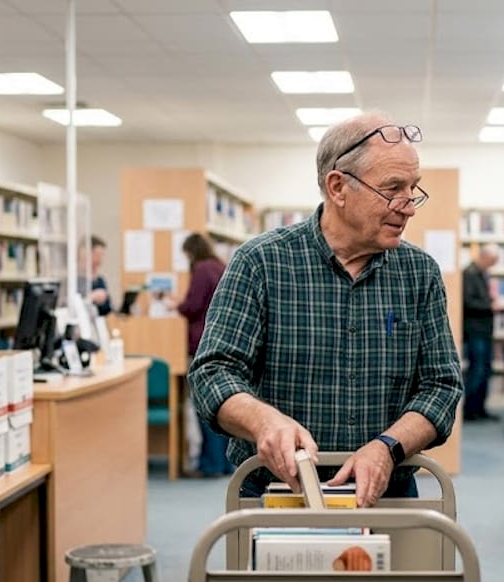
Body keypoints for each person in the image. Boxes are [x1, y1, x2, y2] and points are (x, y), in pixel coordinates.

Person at [188, 111, 463, 507]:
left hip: (387, 496)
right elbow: (213, 372)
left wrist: (387, 447)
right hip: (278, 495)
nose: (409, 206)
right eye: (393, 188)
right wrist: (265, 421)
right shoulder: (262, 262)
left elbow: (441, 386)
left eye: (413, 188)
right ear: (338, 187)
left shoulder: (419, 274)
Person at [170, 232, 232, 477]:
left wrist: (177, 305)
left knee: (203, 405)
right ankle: (225, 462)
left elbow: (193, 305)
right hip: (220, 340)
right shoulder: (220, 266)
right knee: (222, 403)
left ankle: (211, 463)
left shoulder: (202, 269)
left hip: (199, 343)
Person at [462, 243, 504, 421]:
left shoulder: (481, 274)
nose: (493, 265)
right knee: (477, 369)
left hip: (484, 330)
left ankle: (480, 407)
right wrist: (491, 306)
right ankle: (471, 409)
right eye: (492, 261)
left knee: (485, 369)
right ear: (484, 257)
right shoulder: (469, 274)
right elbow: (468, 302)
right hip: (475, 330)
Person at [78, 235, 113, 316]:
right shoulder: (76, 280)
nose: (100, 260)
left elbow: (107, 308)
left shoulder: (100, 280)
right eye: (98, 255)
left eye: (101, 255)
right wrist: (91, 298)